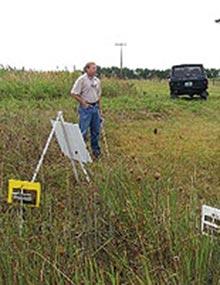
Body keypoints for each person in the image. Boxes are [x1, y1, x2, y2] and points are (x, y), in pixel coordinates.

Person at [70, 62, 102, 159]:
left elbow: (99, 95)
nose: (95, 70)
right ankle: (80, 153)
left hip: (95, 107)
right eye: (93, 68)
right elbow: (74, 93)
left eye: (95, 68)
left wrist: (100, 108)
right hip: (86, 109)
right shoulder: (81, 80)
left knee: (96, 131)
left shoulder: (97, 81)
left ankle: (96, 151)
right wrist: (83, 102)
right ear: (87, 69)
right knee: (83, 131)